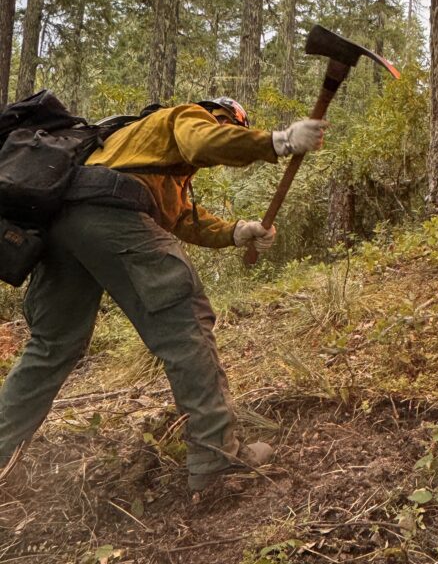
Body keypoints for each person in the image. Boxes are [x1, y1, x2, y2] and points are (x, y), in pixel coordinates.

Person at [0, 97, 325, 491]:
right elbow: (202, 142)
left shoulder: (132, 152)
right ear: (224, 117)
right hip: (109, 211)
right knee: (185, 320)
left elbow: (181, 217)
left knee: (51, 346)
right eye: (233, 129)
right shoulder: (186, 116)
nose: (232, 136)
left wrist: (236, 231)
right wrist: (280, 141)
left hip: (61, 226)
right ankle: (216, 458)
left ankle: (2, 457)